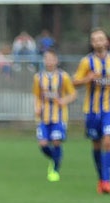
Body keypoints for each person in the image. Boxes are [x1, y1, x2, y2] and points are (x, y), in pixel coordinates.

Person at [72, 28, 110, 194]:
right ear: (92, 43)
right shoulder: (86, 62)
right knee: (96, 144)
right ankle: (101, 177)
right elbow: (74, 82)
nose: (98, 42)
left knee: (108, 141)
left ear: (106, 42)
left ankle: (106, 181)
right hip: (92, 109)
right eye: (95, 39)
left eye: (101, 39)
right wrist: (87, 79)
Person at [33, 50, 76, 182]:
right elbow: (37, 95)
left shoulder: (64, 77)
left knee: (56, 141)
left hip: (59, 116)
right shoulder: (38, 77)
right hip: (43, 117)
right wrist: (37, 106)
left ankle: (55, 170)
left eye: (52, 58)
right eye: (46, 59)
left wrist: (64, 100)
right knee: (43, 144)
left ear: (56, 60)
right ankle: (55, 158)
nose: (49, 61)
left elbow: (72, 94)